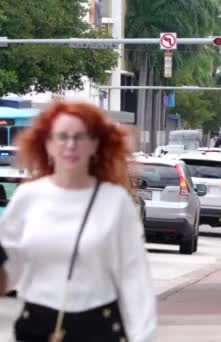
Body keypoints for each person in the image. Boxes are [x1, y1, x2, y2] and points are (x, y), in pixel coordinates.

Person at [0, 101, 157, 341]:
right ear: (48, 144)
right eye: (62, 136)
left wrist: (142, 336)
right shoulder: (28, 197)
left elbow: (134, 277)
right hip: (36, 325)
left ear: (95, 144)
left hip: (96, 325)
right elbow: (9, 267)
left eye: (80, 137)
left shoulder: (115, 202)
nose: (70, 145)